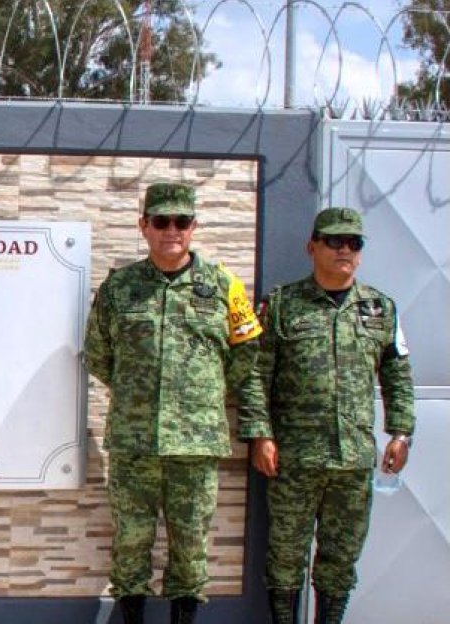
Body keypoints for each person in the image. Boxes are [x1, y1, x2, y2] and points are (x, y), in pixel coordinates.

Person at [84, 182, 265, 624]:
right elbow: (99, 355)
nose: (172, 230)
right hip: (134, 443)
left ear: (193, 226)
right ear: (143, 226)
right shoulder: (119, 288)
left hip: (195, 445)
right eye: (161, 221)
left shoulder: (223, 286)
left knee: (190, 546)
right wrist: (136, 393)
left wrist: (205, 393)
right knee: (131, 542)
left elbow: (246, 352)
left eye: (181, 221)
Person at [243, 207, 414, 624]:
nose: (345, 250)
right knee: (285, 555)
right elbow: (255, 374)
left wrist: (401, 433)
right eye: (335, 241)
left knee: (340, 558)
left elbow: (397, 374)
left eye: (354, 243)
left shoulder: (379, 309)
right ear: (312, 247)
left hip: (352, 459)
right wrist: (260, 435)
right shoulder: (282, 305)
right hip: (294, 460)